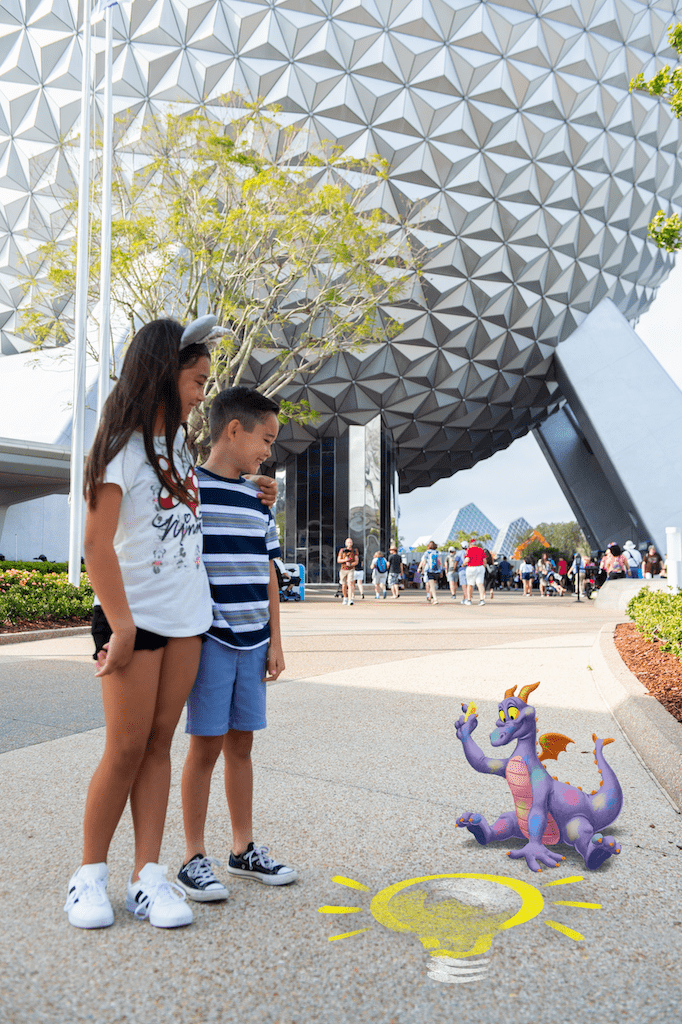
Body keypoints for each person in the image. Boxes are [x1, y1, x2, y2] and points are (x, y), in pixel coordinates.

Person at [63, 316, 276, 931]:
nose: (201, 393)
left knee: (159, 747)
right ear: (162, 373)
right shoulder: (119, 447)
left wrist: (255, 493)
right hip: (136, 620)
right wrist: (121, 626)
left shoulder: (176, 449)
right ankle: (89, 876)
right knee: (125, 747)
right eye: (196, 380)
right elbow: (96, 545)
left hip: (188, 621)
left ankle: (148, 876)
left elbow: (198, 516)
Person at [177, 387, 295, 900]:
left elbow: (268, 570)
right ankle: (192, 856)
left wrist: (276, 639)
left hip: (253, 641)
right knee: (204, 747)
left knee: (242, 745)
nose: (268, 451)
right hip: (210, 639)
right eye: (265, 439)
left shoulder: (258, 498)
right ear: (233, 430)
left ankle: (242, 848)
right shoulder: (190, 491)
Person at [463, 537, 486, 605]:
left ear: (470, 544)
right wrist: (483, 567)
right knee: (480, 584)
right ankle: (482, 599)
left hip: (471, 568)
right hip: (480, 567)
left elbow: (467, 560)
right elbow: (484, 560)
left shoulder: (469, 550)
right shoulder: (481, 550)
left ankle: (469, 600)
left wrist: (463, 564)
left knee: (470, 584)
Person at [337, 537, 359, 605]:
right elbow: (338, 560)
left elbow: (356, 561)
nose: (349, 543)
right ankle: (345, 598)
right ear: (346, 543)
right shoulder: (342, 550)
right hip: (343, 569)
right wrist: (345, 560)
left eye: (351, 542)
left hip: (351, 569)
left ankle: (350, 599)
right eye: (348, 542)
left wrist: (351, 564)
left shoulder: (355, 550)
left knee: (350, 583)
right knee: (344, 585)